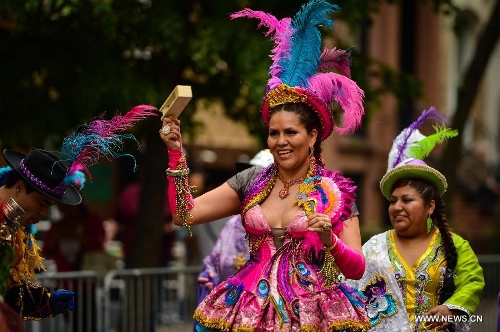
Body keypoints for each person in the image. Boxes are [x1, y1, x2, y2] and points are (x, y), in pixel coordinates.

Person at [160, 1, 370, 330]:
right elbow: (184, 213)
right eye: (273, 133)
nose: (280, 141)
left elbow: (357, 268)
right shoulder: (251, 181)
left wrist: (330, 240)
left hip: (310, 314)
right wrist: (176, 153)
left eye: (291, 132)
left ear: (312, 136)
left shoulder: (334, 192)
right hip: (248, 307)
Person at [0, 105, 156, 321]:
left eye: (50, 207)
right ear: (19, 186)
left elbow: (9, 293)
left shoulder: (18, 228)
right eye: (42, 203)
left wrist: (45, 303)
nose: (44, 214)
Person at [349, 107, 485, 331]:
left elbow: (472, 281)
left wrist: (452, 310)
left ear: (430, 206)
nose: (397, 207)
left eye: (407, 200)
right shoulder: (374, 247)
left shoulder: (455, 245)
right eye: (393, 201)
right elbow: (352, 292)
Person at [196, 149, 274, 306]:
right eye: (250, 176)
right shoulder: (234, 223)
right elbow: (214, 258)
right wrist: (208, 273)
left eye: (260, 177)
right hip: (232, 304)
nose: (253, 184)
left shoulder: (282, 221)